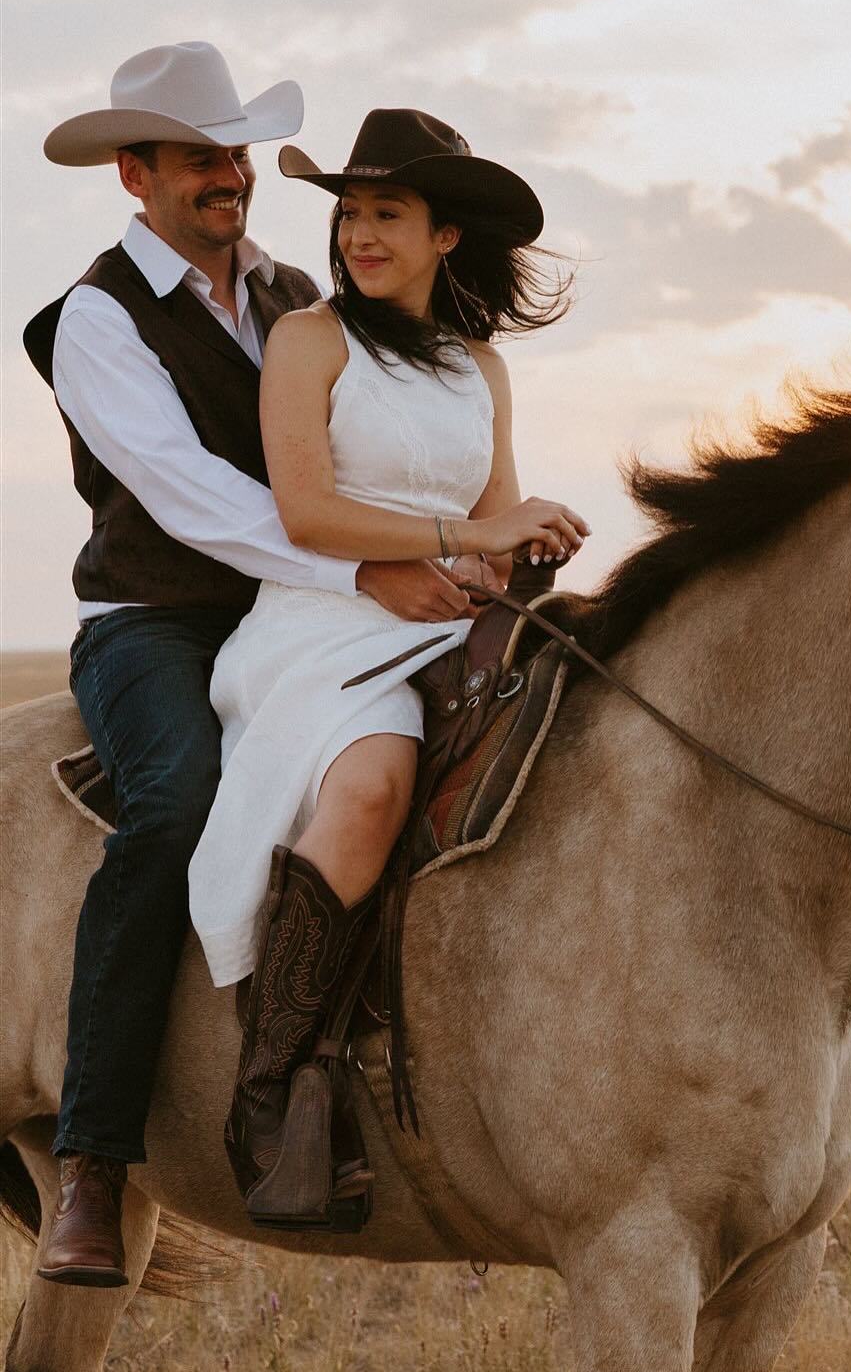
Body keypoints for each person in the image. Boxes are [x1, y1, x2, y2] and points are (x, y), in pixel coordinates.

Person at [24, 45, 478, 1289]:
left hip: (316, 610)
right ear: (137, 171)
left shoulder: (292, 295)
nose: (228, 176)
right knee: (170, 803)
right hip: (160, 618)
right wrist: (368, 569)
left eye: (234, 154)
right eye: (197, 158)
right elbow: (193, 500)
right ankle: (95, 1163)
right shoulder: (95, 318)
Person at [185, 107, 587, 1227]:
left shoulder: (481, 368)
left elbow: (496, 512)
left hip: (446, 617)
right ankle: (273, 1079)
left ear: (445, 235)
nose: (360, 234)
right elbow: (306, 511)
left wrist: (530, 538)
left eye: (387, 214)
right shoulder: (313, 338)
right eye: (351, 212)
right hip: (325, 619)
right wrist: (463, 541)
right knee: (371, 783)